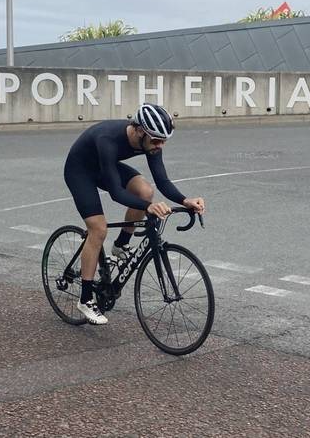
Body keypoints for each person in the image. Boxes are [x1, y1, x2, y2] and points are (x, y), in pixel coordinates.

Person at [63, 103, 206, 325]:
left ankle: (121, 245)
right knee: (98, 229)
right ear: (139, 131)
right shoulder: (107, 139)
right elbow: (116, 193)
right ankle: (85, 299)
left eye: (164, 140)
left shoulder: (151, 140)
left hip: (104, 167)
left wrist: (184, 200)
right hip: (80, 171)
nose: (160, 145)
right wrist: (147, 207)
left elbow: (162, 181)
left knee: (146, 191)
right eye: (156, 140)